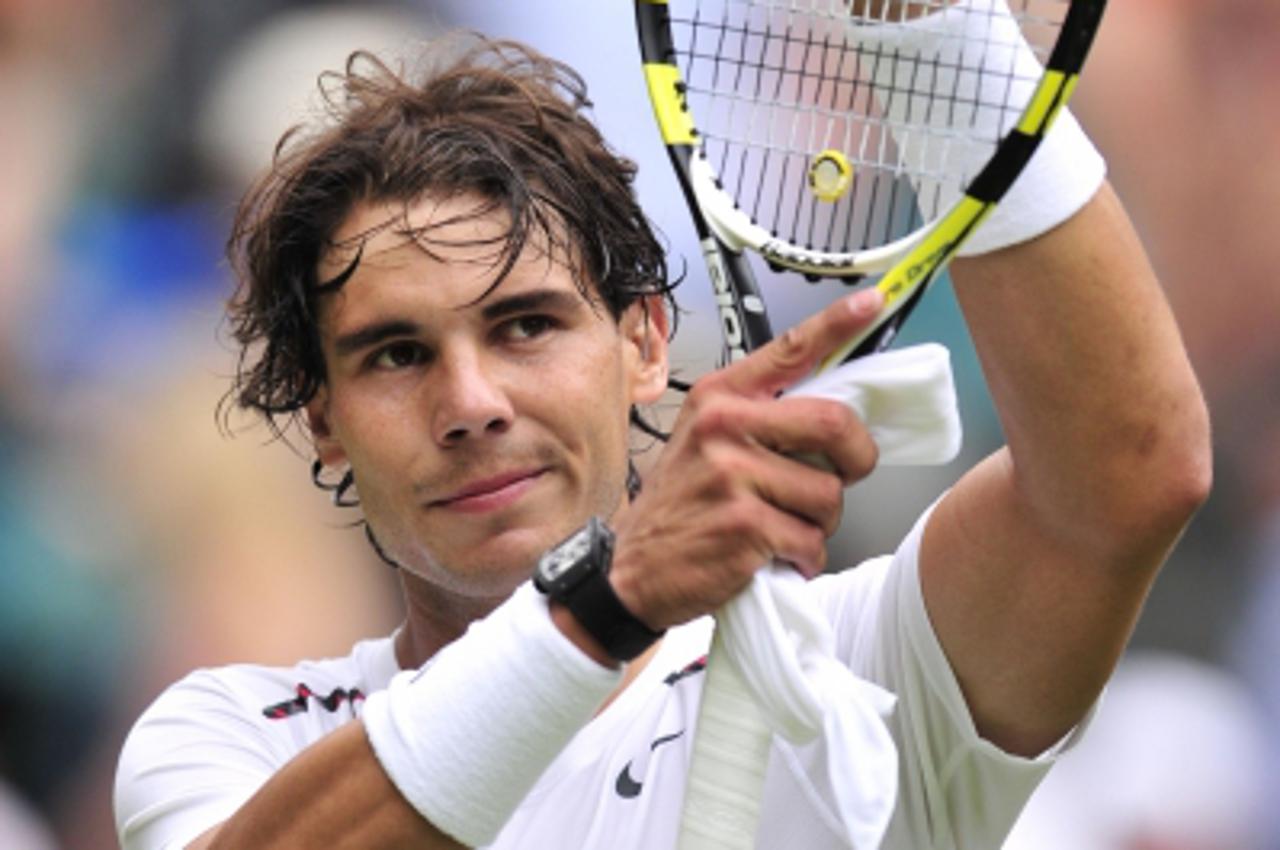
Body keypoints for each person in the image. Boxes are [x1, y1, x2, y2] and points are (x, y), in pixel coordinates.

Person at [113, 31, 1210, 850]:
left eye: (525, 325)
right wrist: (607, 593)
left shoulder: (851, 668)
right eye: (396, 354)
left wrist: (925, 28)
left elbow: (1127, 471)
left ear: (643, 344)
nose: (471, 401)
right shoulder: (228, 735)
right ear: (323, 420)